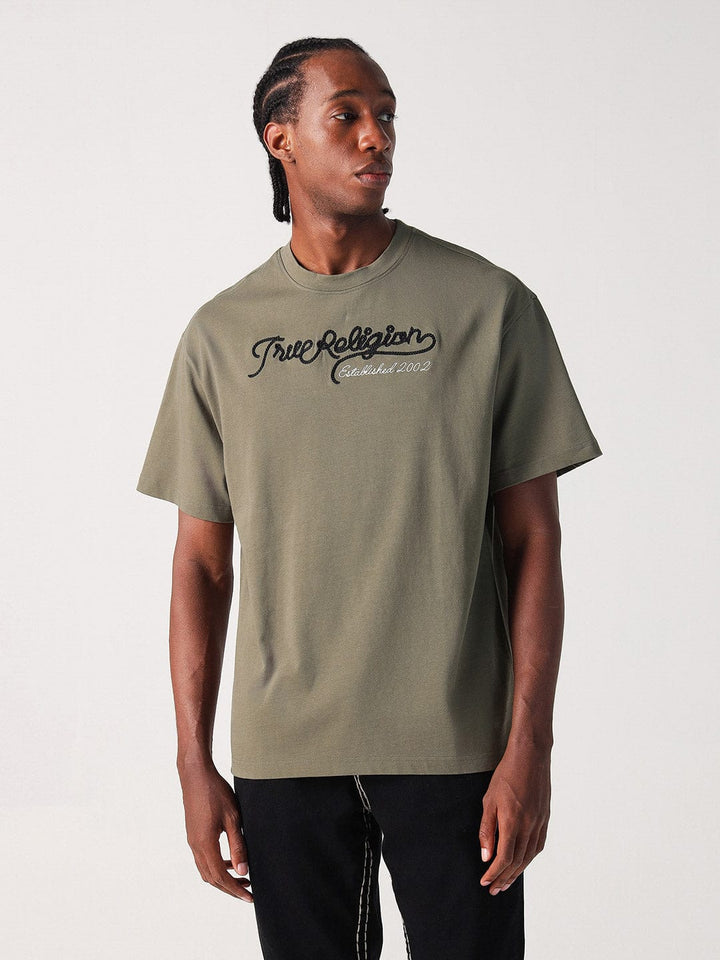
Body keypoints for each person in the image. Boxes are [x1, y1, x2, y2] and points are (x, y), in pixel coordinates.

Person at [136, 36, 603, 960]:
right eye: (346, 114)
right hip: (282, 758)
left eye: (385, 115)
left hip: (455, 751)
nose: (376, 136)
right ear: (279, 138)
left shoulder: (487, 305)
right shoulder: (222, 335)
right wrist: (194, 761)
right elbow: (200, 563)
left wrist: (531, 747)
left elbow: (534, 544)